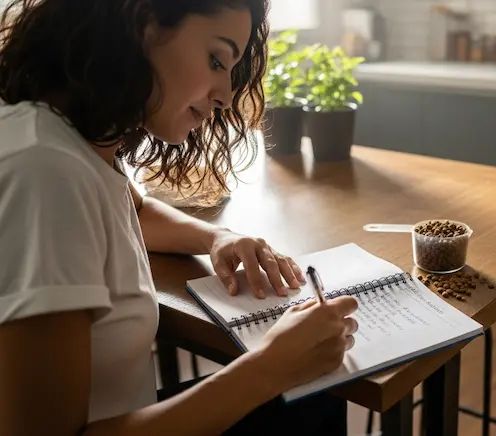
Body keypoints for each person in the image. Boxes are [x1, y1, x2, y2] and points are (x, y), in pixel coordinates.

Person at [0, 1, 359, 435]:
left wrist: (215, 238)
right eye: (215, 60)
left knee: (318, 396)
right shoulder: (47, 173)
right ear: (143, 26)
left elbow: (135, 210)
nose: (226, 94)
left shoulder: (63, 135)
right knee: (312, 394)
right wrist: (268, 368)